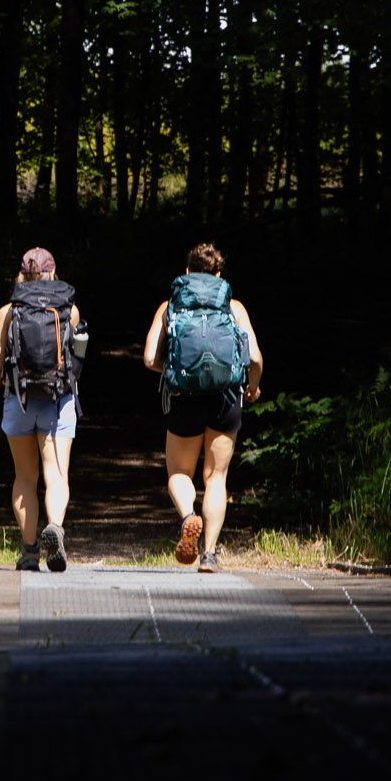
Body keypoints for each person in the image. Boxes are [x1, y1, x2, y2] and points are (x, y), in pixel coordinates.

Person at [142, 242, 263, 572]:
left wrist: (172, 371)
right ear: (219, 274)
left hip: (184, 399)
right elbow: (254, 358)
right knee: (216, 476)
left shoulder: (170, 307)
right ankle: (209, 554)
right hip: (226, 398)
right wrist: (251, 387)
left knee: (179, 473)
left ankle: (187, 516)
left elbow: (150, 357)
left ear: (186, 272)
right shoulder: (234, 308)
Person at [0, 246, 82, 571]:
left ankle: (28, 552)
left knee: (24, 477)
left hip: (18, 400)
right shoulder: (71, 310)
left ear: (23, 274)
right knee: (56, 474)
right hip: (57, 399)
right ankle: (54, 526)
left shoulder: (7, 312)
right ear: (53, 272)